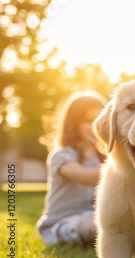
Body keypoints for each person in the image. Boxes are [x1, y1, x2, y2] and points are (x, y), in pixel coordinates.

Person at [36, 91, 106, 245]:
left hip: (94, 214)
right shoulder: (61, 155)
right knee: (98, 226)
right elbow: (81, 176)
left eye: (99, 119)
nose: (95, 126)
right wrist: (123, 170)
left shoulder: (104, 157)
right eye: (88, 120)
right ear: (73, 124)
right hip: (61, 222)